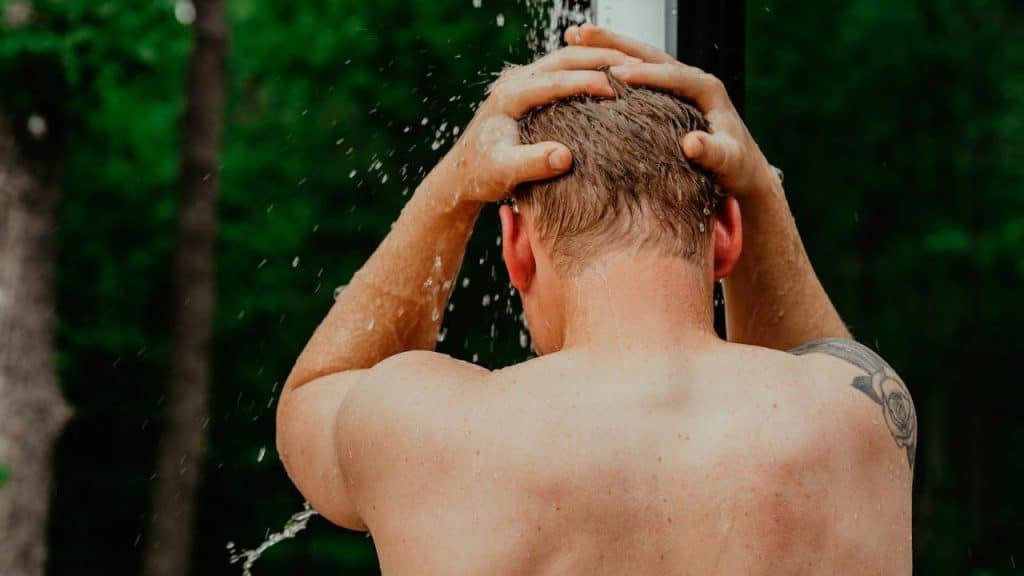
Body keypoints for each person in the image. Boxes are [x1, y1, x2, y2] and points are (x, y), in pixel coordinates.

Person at [276, 23, 916, 575]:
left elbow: (314, 394)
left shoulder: (427, 430)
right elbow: (807, 368)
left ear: (517, 246)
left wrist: (454, 186)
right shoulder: (859, 417)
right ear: (726, 234)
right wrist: (760, 189)